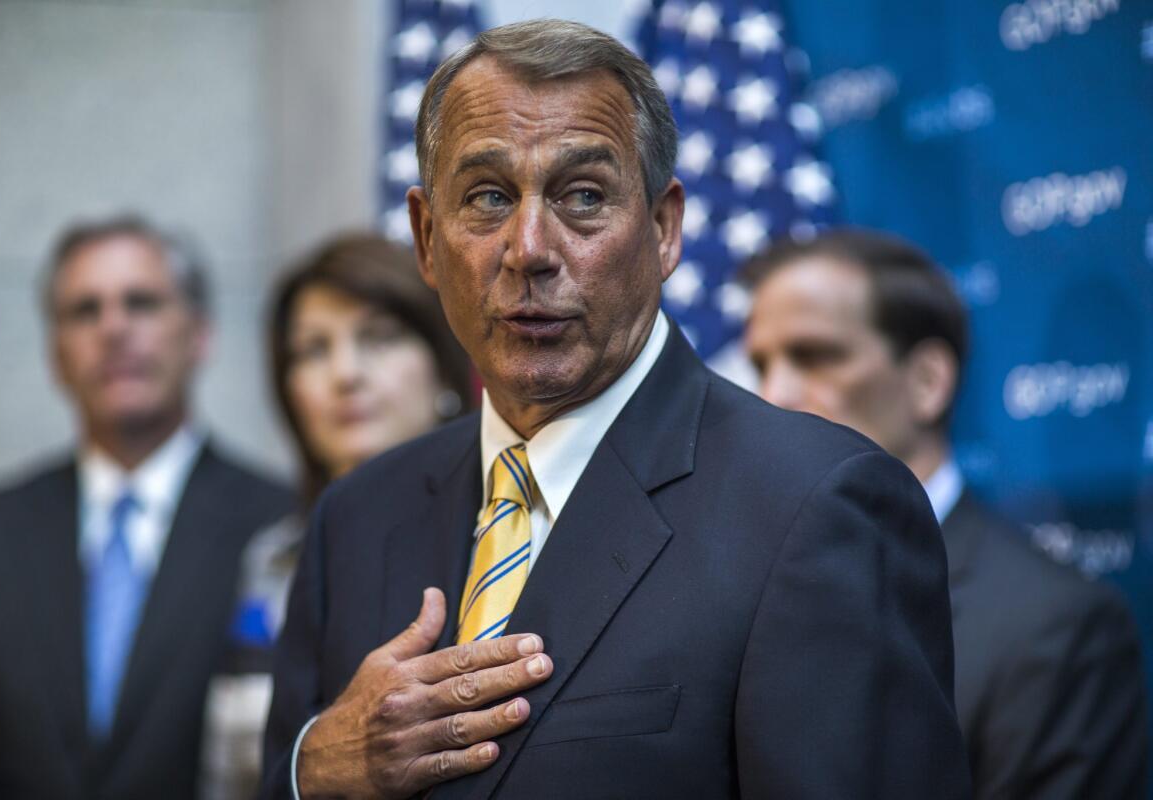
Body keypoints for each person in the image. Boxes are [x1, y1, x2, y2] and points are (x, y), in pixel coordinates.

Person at [261, 20, 971, 799]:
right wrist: (312, 768)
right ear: (427, 240)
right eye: (489, 197)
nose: (529, 247)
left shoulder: (819, 504)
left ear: (665, 230)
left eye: (584, 196)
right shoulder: (356, 516)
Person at [741, 228, 1149, 798]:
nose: (773, 395)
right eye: (761, 365)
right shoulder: (727, 592)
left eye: (815, 357)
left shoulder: (1057, 632)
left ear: (928, 381)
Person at [0, 215, 293, 800]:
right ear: (56, 353)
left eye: (142, 302)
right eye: (85, 311)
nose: (113, 329)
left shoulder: (285, 528)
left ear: (200, 335)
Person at [199, 233, 472, 799]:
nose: (345, 373)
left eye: (379, 337)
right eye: (313, 350)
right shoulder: (270, 556)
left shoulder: (502, 530)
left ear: (444, 366)